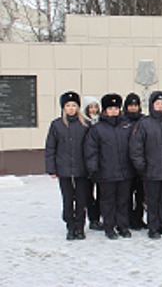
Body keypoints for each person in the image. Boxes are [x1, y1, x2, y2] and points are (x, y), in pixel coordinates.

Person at [129, 91, 162, 239]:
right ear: (152, 106)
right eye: (157, 104)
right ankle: (153, 227)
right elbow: (136, 147)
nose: (160, 106)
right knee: (152, 200)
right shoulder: (144, 124)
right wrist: (141, 165)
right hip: (150, 170)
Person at [84, 94, 134, 240]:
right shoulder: (97, 129)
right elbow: (91, 150)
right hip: (106, 172)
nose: (113, 111)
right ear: (105, 110)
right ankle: (109, 226)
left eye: (116, 108)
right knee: (108, 201)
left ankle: (123, 226)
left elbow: (134, 147)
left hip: (125, 172)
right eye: (110, 108)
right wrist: (93, 168)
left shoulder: (127, 126)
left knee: (123, 201)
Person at [45, 91, 89, 240]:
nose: (71, 108)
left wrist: (91, 167)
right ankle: (70, 226)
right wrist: (51, 168)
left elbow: (90, 148)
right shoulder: (57, 125)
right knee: (68, 199)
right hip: (63, 169)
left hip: (81, 169)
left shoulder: (85, 125)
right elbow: (51, 147)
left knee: (81, 199)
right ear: (63, 108)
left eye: (74, 105)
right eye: (68, 106)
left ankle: (80, 227)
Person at [123, 93, 147, 230]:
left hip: (141, 164)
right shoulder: (121, 121)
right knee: (126, 195)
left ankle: (138, 219)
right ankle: (126, 219)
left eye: (135, 105)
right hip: (125, 164)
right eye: (130, 105)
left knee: (140, 195)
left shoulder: (144, 121)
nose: (133, 108)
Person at [82, 95, 103, 232]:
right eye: (91, 107)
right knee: (88, 194)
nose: (94, 110)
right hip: (85, 164)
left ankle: (99, 216)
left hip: (102, 164)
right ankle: (93, 218)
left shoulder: (102, 123)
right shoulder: (82, 124)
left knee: (102, 193)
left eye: (96, 107)